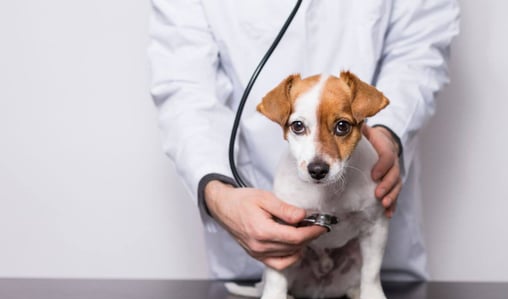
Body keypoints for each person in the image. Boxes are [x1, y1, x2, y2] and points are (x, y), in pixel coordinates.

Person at [148, 0, 460, 281]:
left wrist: (390, 133)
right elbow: (184, 86)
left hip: (371, 241)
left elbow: (420, 49)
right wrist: (218, 193)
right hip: (255, 231)